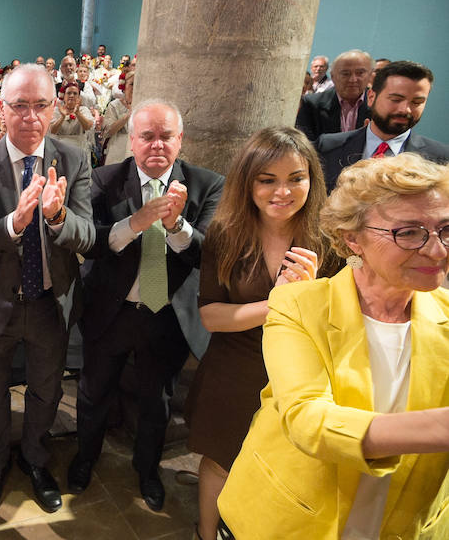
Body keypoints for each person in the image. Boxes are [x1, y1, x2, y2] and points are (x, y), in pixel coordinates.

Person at [218, 152, 449, 539]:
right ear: (352, 238)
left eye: (446, 229)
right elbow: (309, 420)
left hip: (406, 523)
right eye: (408, 232)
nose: (437, 250)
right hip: (294, 518)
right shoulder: (299, 304)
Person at [68, 99, 224, 512]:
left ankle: (148, 470)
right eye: (147, 136)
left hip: (166, 316)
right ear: (131, 141)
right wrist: (136, 223)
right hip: (111, 312)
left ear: (180, 140)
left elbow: (206, 254)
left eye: (166, 136)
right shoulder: (102, 179)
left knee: (157, 401)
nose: (157, 145)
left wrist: (176, 225)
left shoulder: (207, 184)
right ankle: (85, 459)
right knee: (93, 392)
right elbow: (93, 243)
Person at [0, 64, 95, 514]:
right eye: (20, 106)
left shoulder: (74, 160)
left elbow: (88, 236)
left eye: (41, 105)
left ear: (55, 108)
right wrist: (14, 224)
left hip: (49, 303)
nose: (31, 116)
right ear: (2, 110)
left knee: (45, 389)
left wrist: (57, 218)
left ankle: (36, 460)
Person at [184, 126, 331, 539]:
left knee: (283, 470)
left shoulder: (330, 239)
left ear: (311, 180)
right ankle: (206, 533)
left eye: (295, 179)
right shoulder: (226, 233)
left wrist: (315, 294)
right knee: (220, 461)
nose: (281, 192)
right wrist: (278, 301)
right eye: (268, 180)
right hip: (236, 369)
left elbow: (342, 320)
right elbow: (211, 315)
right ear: (248, 183)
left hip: (300, 374)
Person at [318, 60, 449, 192]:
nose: (405, 110)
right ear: (371, 97)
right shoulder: (328, 147)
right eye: (396, 100)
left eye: (417, 102)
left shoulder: (441, 159)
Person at [296, 49, 372, 145]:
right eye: (345, 74)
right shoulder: (312, 104)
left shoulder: (379, 104)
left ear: (370, 75)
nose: (353, 79)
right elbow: (305, 146)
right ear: (333, 76)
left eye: (360, 73)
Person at [49, 81, 95, 161]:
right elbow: (52, 130)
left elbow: (88, 126)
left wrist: (78, 113)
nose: (71, 96)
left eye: (75, 93)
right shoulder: (56, 110)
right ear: (63, 96)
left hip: (79, 149)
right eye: (69, 93)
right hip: (60, 150)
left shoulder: (83, 110)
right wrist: (62, 117)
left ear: (79, 97)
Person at [102, 70, 134, 164]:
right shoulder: (114, 105)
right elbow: (108, 131)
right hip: (117, 153)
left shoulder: (143, 106)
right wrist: (127, 116)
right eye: (132, 84)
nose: (135, 87)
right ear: (124, 86)